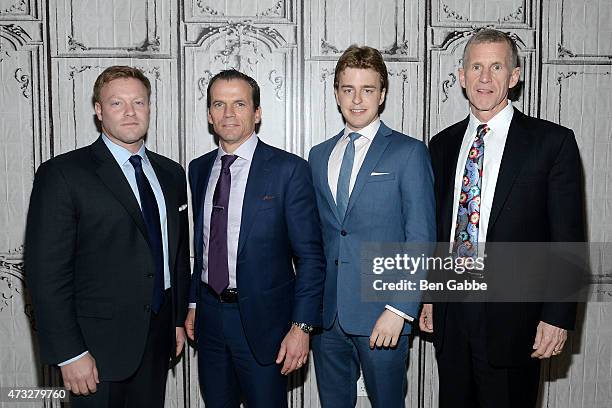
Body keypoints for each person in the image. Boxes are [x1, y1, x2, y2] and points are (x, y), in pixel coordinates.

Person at [419, 29, 584, 407]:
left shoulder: (552, 143)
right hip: (453, 314)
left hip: (516, 321)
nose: (485, 78)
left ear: (514, 76)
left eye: (496, 67)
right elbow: (437, 230)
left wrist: (557, 316)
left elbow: (568, 239)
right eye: (476, 67)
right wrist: (430, 296)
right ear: (461, 77)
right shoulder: (442, 145)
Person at [25, 65, 190, 407]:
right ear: (99, 111)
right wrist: (70, 353)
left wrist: (175, 321)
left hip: (156, 341)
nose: (130, 112)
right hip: (93, 351)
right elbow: (45, 274)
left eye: (139, 102)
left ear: (149, 107)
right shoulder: (63, 174)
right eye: (117, 103)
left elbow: (174, 255)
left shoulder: (171, 173)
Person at [183, 69, 325, 408]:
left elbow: (310, 257)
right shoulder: (198, 168)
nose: (228, 114)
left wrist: (301, 328)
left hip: (266, 324)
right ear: (209, 114)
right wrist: (192, 304)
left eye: (240, 104)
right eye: (219, 104)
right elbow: (202, 246)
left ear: (257, 113)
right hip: (209, 319)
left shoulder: (289, 170)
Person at [308, 45, 436, 407]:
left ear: (382, 95)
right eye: (348, 89)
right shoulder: (318, 156)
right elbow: (318, 238)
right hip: (327, 316)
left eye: (367, 89)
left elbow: (421, 237)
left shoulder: (408, 152)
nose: (357, 99)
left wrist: (400, 310)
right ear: (336, 93)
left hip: (384, 314)